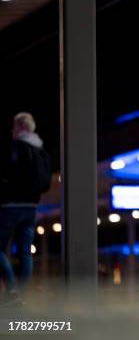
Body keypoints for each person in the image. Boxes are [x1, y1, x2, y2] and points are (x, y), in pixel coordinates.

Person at [0, 112, 51, 303]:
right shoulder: (41, 151)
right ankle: (21, 295)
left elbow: (7, 172)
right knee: (25, 251)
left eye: (13, 127)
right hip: (31, 207)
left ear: (20, 127)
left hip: (11, 205)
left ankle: (13, 291)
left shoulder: (16, 148)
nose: (12, 131)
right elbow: (45, 183)